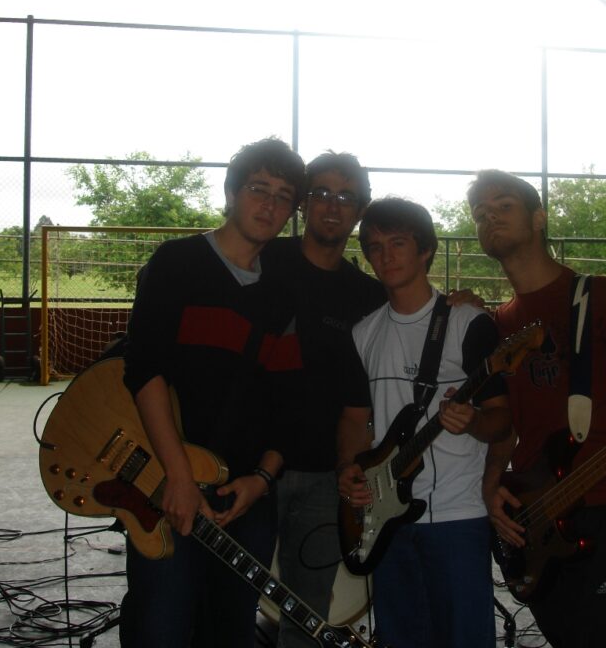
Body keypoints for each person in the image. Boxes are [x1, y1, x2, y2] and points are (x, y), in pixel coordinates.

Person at [468, 170, 606, 648]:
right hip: (541, 515)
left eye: (503, 205)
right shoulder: (498, 324)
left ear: (539, 218)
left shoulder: (600, 297)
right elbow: (507, 426)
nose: (490, 217)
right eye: (480, 213)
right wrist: (492, 486)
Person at [120, 137, 306, 648]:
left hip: (243, 500)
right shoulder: (176, 263)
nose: (269, 204)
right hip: (166, 485)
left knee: (230, 631)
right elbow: (145, 372)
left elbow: (289, 401)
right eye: (258, 188)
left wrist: (261, 481)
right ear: (230, 192)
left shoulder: (282, 293)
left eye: (284, 196)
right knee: (162, 627)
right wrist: (180, 479)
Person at [336, 197, 510, 648]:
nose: (386, 256)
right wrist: (349, 470)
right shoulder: (363, 333)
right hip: (386, 519)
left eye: (398, 243)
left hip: (457, 515)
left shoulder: (468, 323)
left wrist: (472, 421)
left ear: (426, 251)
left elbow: (503, 421)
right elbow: (356, 420)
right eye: (375, 247)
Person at [260, 152, 385, 648]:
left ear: (360, 211)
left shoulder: (367, 295)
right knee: (220, 597)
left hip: (322, 477)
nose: (332, 207)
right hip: (244, 470)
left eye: (346, 197)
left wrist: (462, 303)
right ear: (303, 203)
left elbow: (419, 315)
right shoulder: (263, 261)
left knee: (307, 610)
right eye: (322, 194)